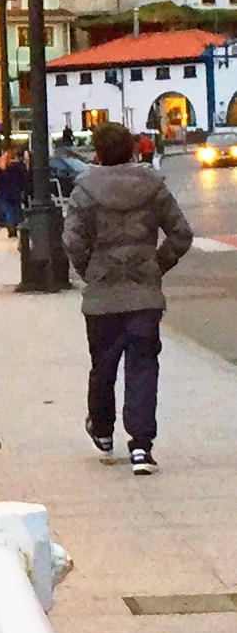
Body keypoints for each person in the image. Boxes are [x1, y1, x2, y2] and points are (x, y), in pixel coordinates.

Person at [63, 121, 193, 475]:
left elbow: (73, 241)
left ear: (99, 153)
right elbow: (181, 234)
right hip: (144, 292)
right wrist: (156, 265)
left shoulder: (84, 191)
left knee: (102, 365)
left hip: (103, 293)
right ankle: (141, 447)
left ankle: (103, 431)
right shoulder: (152, 186)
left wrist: (90, 269)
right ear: (134, 150)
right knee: (142, 365)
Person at [0, 149, 27, 238]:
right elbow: (23, 179)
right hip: (16, 191)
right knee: (16, 209)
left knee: (8, 210)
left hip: (5, 192)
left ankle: (11, 226)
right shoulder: (20, 167)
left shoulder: (4, 168)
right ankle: (15, 226)